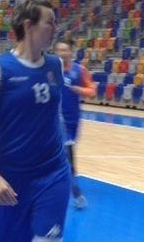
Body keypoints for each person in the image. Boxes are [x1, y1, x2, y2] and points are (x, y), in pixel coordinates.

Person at [0, 0, 70, 242]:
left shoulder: (55, 64)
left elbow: (54, 112)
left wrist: (64, 144)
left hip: (53, 171)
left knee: (48, 239)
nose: (55, 29)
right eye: (50, 22)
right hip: (9, 177)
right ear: (29, 26)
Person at [54, 40, 97, 209]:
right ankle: (75, 193)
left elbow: (92, 92)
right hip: (53, 119)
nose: (61, 53)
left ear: (71, 52)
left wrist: (80, 91)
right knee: (62, 156)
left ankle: (68, 186)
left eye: (64, 50)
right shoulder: (49, 70)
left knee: (67, 155)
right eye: (58, 50)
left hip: (73, 120)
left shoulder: (80, 71)